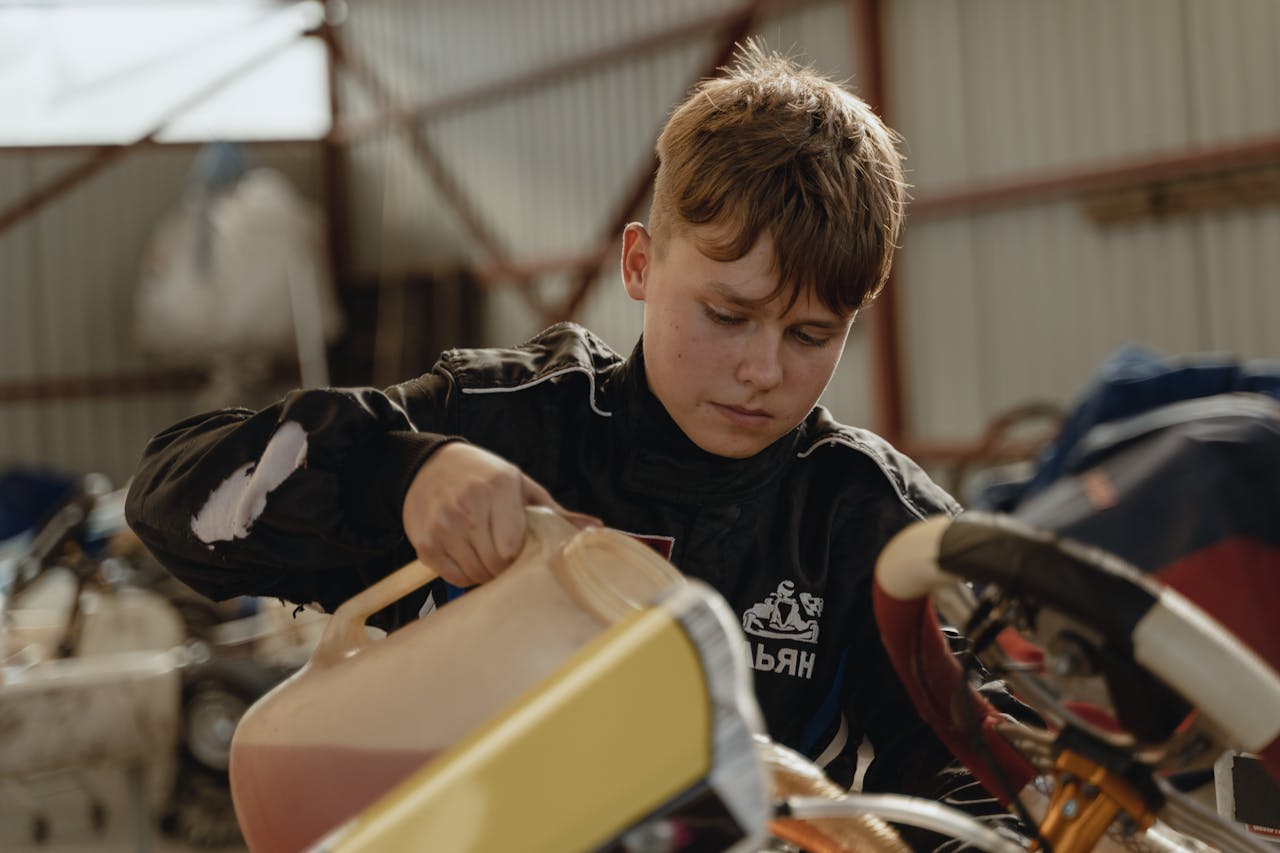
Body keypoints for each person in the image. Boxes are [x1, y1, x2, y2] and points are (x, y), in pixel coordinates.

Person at [126, 42, 1008, 846]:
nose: (762, 370)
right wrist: (399, 477)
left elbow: (978, 773)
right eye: (726, 314)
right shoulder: (502, 424)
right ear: (638, 264)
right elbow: (172, 500)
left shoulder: (865, 522)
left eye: (812, 335)